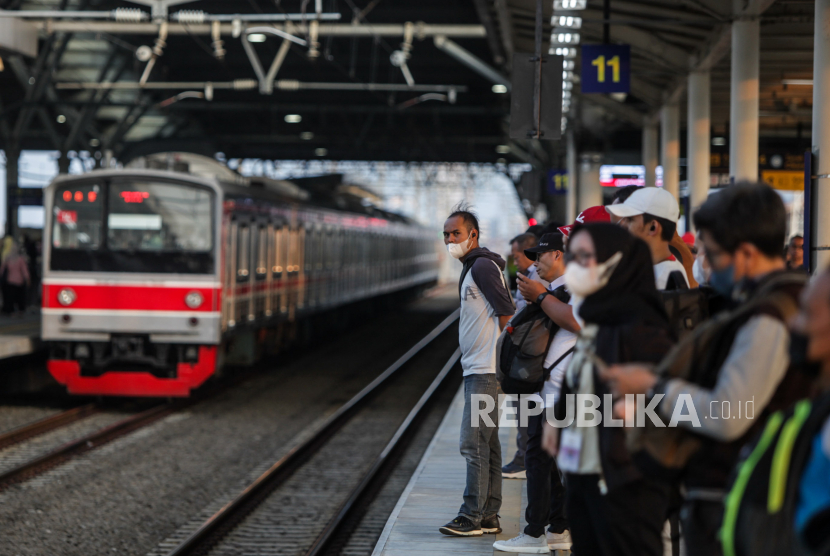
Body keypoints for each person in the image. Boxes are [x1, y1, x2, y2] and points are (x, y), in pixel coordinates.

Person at [601, 183, 814, 556]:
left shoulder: (770, 318)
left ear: (746, 253)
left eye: (711, 255)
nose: (703, 266)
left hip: (739, 503)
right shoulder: (775, 303)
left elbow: (726, 414)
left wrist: (653, 387)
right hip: (742, 496)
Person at [542, 223, 676, 556]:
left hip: (627, 483)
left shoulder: (645, 328)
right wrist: (556, 419)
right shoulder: (597, 321)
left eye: (587, 256)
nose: (575, 265)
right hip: (585, 473)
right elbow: (579, 378)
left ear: (618, 263)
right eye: (574, 256)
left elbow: (669, 404)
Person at [493, 232, 579, 553]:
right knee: (547, 459)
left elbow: (576, 324)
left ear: (557, 255)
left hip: (561, 392)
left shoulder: (570, 290)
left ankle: (534, 532)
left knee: (538, 458)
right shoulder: (554, 290)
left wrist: (541, 297)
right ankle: (557, 526)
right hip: (548, 391)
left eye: (539, 256)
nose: (534, 262)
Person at [439, 205, 515, 537]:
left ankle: (471, 515)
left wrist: (501, 363)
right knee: (489, 444)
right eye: (445, 235)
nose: (449, 239)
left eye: (455, 233)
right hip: (479, 370)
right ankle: (489, 515)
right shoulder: (474, 266)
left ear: (473, 234)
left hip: (485, 371)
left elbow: (507, 315)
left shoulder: (482, 266)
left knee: (473, 444)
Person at [503, 232, 551, 480]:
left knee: (526, 409)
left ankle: (523, 458)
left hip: (531, 354)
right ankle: (524, 456)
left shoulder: (536, 280)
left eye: (515, 255)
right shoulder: (530, 276)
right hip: (528, 352)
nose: (514, 260)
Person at [607, 187, 690, 290]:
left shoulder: (664, 279)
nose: (624, 226)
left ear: (652, 227)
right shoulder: (656, 269)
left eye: (629, 220)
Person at [0, 245, 30, 316]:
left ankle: (11, 311)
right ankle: (20, 310)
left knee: (10, 298)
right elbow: (24, 270)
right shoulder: (20, 259)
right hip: (19, 281)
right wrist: (27, 278)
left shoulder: (8, 258)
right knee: (20, 297)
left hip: (10, 281)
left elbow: (2, 269)